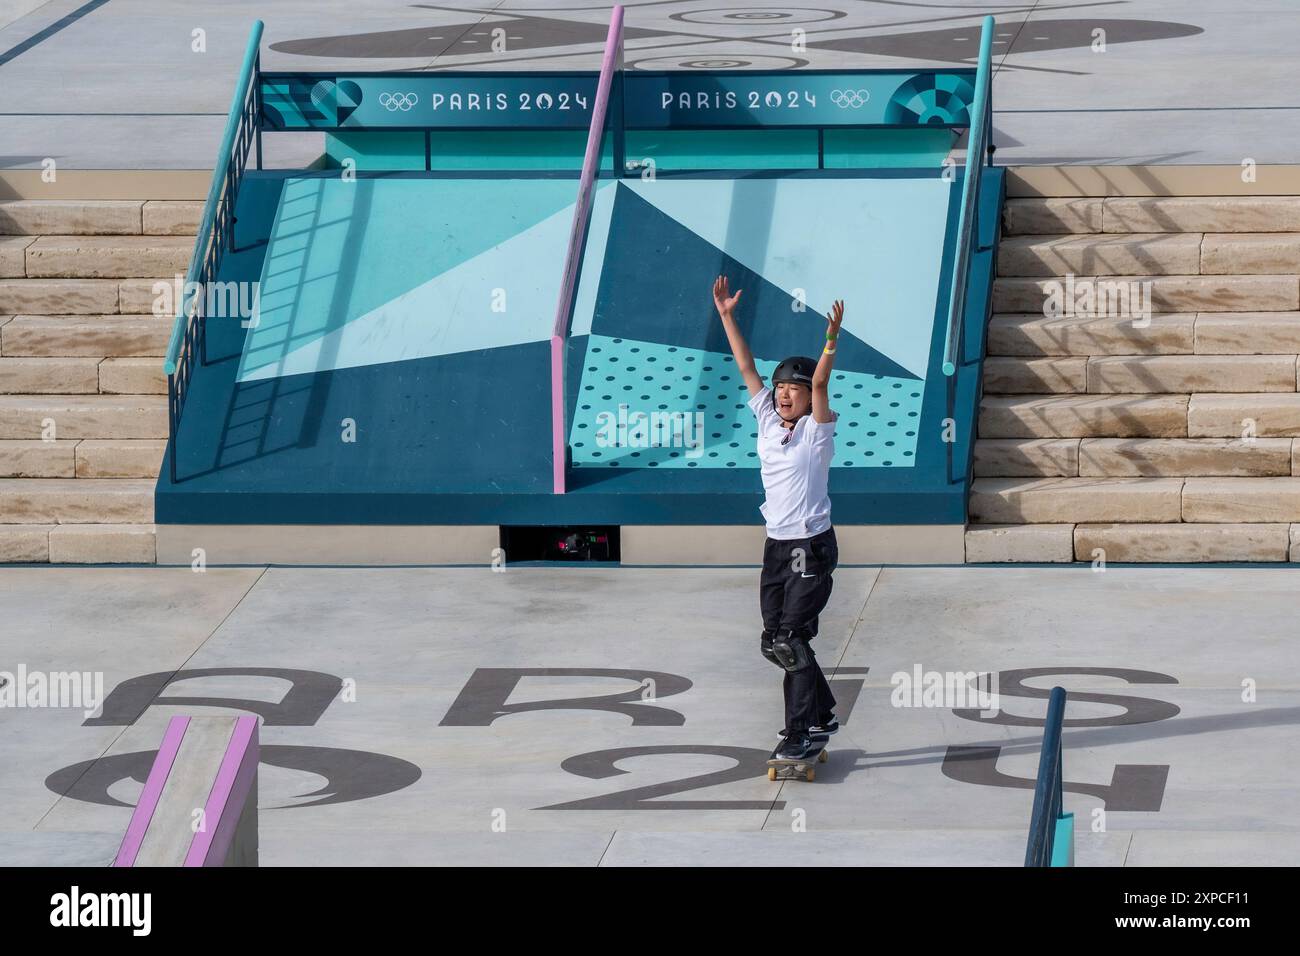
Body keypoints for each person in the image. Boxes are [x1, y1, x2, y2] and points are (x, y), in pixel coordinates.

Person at [711, 275, 842, 760]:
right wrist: (727, 316)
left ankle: (799, 731)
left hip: (811, 546)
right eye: (782, 387)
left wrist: (829, 343)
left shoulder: (816, 432)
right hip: (776, 544)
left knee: (791, 640)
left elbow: (823, 379)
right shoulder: (768, 419)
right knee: (775, 642)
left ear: (810, 397)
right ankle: (823, 712)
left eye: (795, 389)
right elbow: (746, 366)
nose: (785, 394)